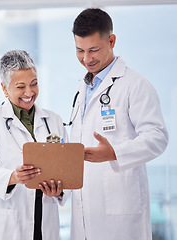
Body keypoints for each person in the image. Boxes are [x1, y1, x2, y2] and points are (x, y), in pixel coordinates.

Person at [69, 8, 168, 240]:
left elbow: (158, 136)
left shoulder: (135, 85)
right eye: (80, 50)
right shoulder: (82, 88)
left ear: (111, 41)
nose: (86, 58)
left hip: (120, 214)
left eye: (94, 50)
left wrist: (115, 153)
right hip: (83, 210)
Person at [0, 50, 68, 240]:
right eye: (20, 86)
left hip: (44, 219)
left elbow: (66, 167)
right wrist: (12, 177)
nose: (29, 93)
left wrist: (60, 189)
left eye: (34, 84)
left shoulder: (53, 120)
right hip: (7, 224)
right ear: (5, 88)